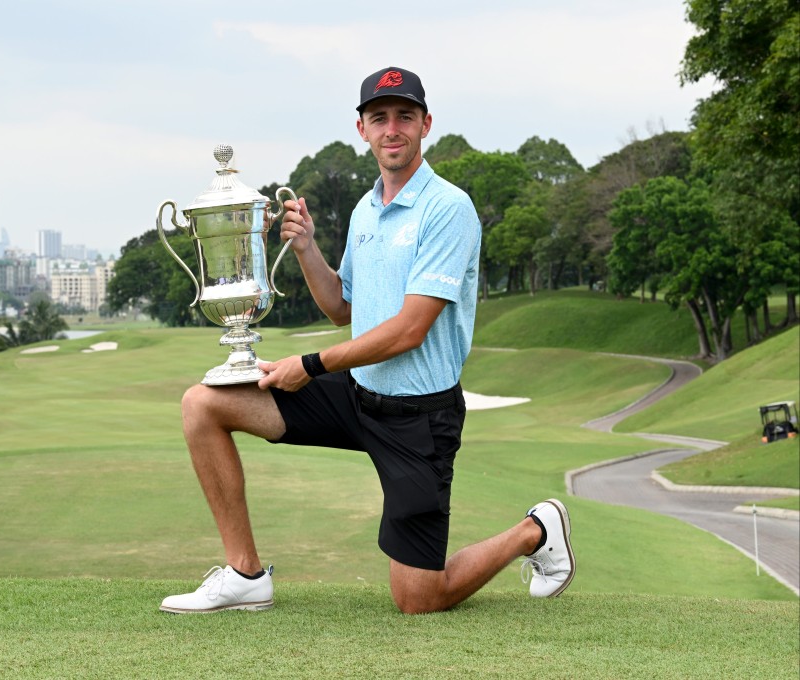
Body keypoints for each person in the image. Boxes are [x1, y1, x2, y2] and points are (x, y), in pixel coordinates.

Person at [160, 66, 575, 615]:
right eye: (379, 118)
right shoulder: (365, 209)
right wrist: (307, 248)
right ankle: (245, 575)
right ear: (362, 130)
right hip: (357, 397)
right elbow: (342, 308)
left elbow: (409, 329)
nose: (392, 129)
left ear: (426, 123)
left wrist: (309, 365)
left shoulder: (447, 209)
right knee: (203, 405)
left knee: (418, 599)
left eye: (405, 116)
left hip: (419, 419)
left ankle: (535, 530)